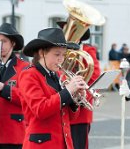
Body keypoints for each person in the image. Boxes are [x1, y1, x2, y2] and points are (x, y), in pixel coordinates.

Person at [18, 28, 87, 149]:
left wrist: (75, 100)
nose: (61, 59)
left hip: (63, 143)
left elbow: (69, 117)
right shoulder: (29, 75)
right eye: (57, 54)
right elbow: (40, 109)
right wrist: (68, 91)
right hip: (41, 144)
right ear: (42, 53)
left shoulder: (58, 75)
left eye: (63, 55)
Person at [57, 21, 101, 149]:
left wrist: (78, 97)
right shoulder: (59, 52)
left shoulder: (87, 51)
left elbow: (93, 78)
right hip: (60, 108)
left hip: (79, 113)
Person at [0, 23, 29, 149]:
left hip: (13, 134)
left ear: (12, 43)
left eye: (4, 41)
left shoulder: (24, 67)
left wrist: (3, 88)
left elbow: (27, 98)